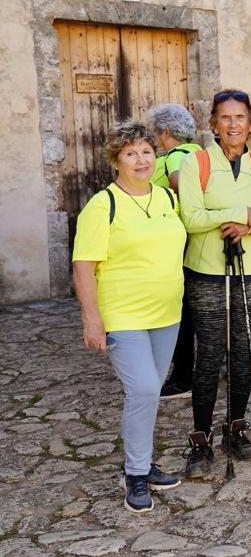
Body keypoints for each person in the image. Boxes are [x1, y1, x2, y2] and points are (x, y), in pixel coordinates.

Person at [72, 120, 185, 513]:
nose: (141, 160)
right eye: (131, 153)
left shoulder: (168, 199)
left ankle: (143, 462)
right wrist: (92, 319)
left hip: (167, 313)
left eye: (147, 152)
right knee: (144, 389)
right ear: (116, 160)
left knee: (150, 393)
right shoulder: (104, 204)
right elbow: (83, 265)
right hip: (123, 314)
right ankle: (135, 474)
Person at [178, 89, 251, 478]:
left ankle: (235, 430)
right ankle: (200, 438)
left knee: (242, 352)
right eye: (225, 117)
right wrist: (243, 211)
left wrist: (248, 227)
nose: (233, 124)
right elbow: (191, 217)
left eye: (240, 117)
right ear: (214, 124)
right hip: (206, 271)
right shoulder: (197, 164)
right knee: (208, 355)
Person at [147, 103, 203, 400]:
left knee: (179, 311)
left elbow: (180, 184)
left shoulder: (176, 156)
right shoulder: (199, 152)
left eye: (154, 132)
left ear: (165, 132)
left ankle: (183, 377)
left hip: (176, 241)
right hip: (193, 241)